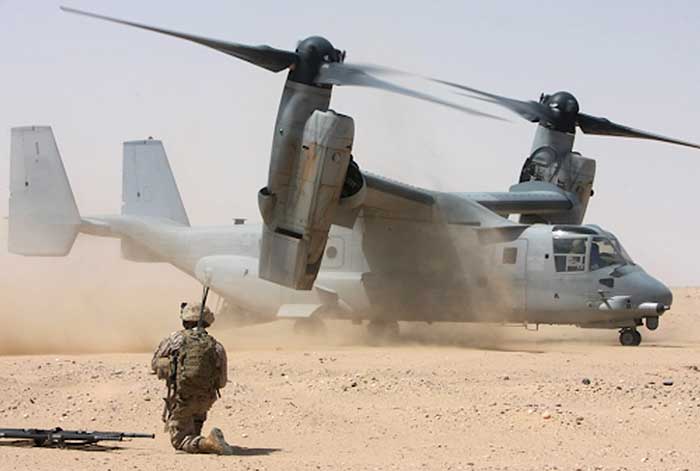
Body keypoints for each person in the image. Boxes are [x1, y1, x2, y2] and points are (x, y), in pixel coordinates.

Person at [151, 301, 231, 454]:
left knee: (180, 441)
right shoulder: (216, 345)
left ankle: (209, 443)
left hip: (182, 399)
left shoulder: (175, 339)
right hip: (205, 401)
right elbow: (221, 382)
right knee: (193, 431)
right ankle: (203, 440)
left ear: (185, 320)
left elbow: (155, 364)